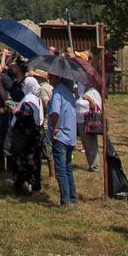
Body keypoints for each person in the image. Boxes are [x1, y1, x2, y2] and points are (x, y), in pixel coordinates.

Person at [48, 74, 79, 206]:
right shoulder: (69, 93)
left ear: (58, 78)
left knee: (60, 169)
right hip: (70, 135)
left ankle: (65, 200)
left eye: (51, 77)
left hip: (60, 135)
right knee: (67, 168)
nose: (49, 80)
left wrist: (54, 128)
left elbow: (55, 112)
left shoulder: (57, 93)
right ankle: (72, 197)